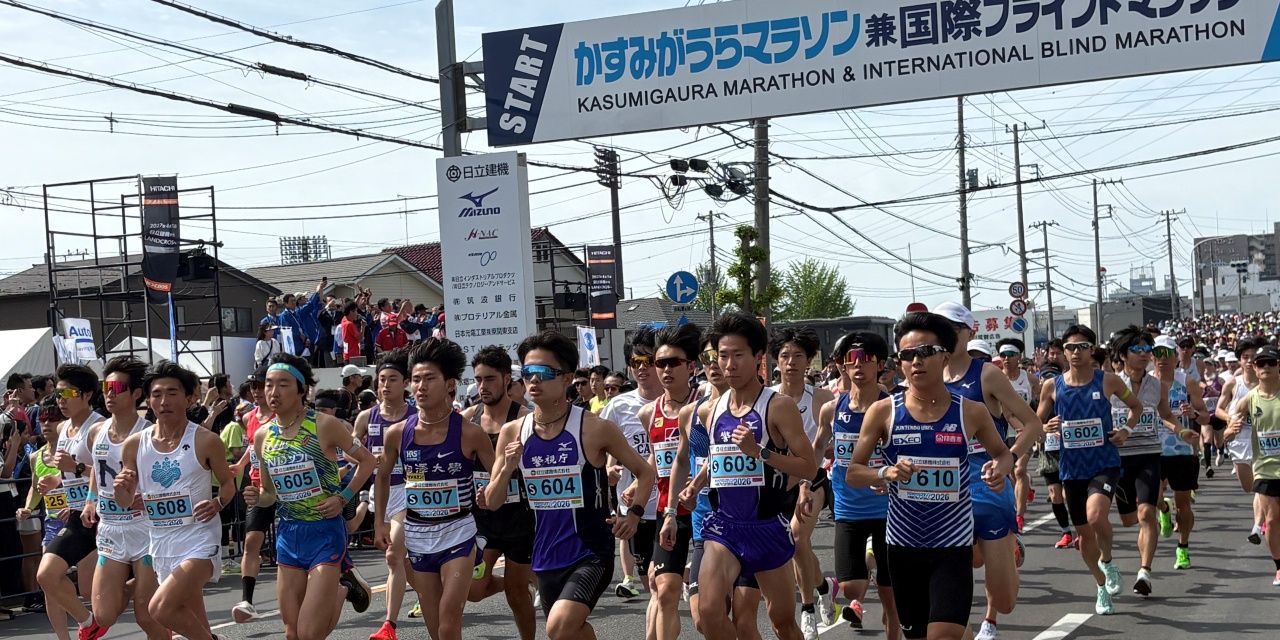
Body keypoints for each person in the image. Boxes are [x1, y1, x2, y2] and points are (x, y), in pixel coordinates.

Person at [847, 311, 1014, 640]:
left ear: (945, 357)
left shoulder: (971, 411)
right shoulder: (884, 412)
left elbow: (1003, 454)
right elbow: (853, 472)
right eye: (908, 355)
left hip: (952, 546)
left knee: (944, 635)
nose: (916, 362)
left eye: (925, 353)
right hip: (903, 546)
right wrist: (886, 472)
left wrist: (1000, 470)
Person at [484, 330, 656, 640]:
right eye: (527, 373)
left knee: (559, 627)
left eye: (543, 373)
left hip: (590, 551)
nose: (533, 381)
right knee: (568, 632)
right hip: (544, 554)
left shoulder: (593, 427)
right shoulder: (512, 433)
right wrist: (508, 468)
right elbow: (492, 500)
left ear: (565, 379)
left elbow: (645, 472)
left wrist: (634, 514)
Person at [687, 311, 816, 640]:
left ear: (759, 358)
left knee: (782, 622)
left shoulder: (778, 406)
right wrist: (692, 487)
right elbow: (716, 461)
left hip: (767, 527)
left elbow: (808, 466)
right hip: (724, 526)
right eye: (722, 355)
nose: (728, 365)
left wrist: (761, 452)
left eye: (738, 355)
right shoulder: (707, 411)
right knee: (709, 611)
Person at [244, 353, 376, 640]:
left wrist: (342, 497)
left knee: (308, 634)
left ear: (302, 390)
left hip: (325, 533)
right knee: (292, 634)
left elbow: (367, 462)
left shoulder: (324, 425)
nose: (273, 392)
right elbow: (269, 495)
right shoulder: (262, 436)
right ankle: (343, 587)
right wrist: (257, 498)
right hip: (289, 535)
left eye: (283, 384)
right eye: (268, 384)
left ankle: (339, 589)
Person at [933, 302, 1043, 640]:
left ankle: (1007, 548)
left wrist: (1007, 457)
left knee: (1006, 601)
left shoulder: (986, 375)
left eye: (955, 328)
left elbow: (1032, 424)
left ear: (970, 332)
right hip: (945, 491)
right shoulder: (926, 376)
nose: (948, 335)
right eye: (942, 328)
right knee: (953, 579)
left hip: (988, 486)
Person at [378, 338, 496, 640]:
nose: (421, 386)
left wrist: (493, 487)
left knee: (448, 619)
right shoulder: (397, 434)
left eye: (430, 378)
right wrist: (380, 520)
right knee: (434, 627)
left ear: (450, 384)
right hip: (418, 536)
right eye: (416, 379)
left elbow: (497, 475)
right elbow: (382, 476)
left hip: (458, 531)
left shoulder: (470, 433)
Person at [114, 360, 237, 640]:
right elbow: (126, 501)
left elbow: (229, 484)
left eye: (172, 393)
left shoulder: (206, 440)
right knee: (194, 620)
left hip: (199, 538)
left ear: (189, 398)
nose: (163, 400)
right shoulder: (135, 444)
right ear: (148, 399)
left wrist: (217, 503)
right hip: (160, 542)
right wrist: (123, 490)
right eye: (156, 394)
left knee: (159, 608)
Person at [1036, 324, 1143, 615]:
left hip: (1104, 463)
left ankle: (1108, 561)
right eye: (1070, 348)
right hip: (1071, 469)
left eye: (1082, 347)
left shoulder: (1106, 381)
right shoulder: (1052, 385)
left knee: (1096, 516)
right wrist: (1046, 427)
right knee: (1083, 535)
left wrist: (1125, 430)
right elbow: (1036, 423)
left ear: (1091, 349)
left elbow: (1137, 407)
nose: (1075, 353)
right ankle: (1100, 585)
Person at [671, 332, 762, 640]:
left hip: (749, 524)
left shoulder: (756, 409)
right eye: (708, 358)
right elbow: (681, 460)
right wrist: (671, 511)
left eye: (720, 357)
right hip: (705, 527)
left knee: (746, 622)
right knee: (704, 620)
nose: (714, 365)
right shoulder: (691, 413)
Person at [818, 331, 900, 637]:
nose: (859, 366)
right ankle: (867, 564)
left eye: (866, 360)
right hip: (848, 506)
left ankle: (892, 629)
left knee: (890, 595)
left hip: (888, 509)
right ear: (843, 367)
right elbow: (818, 448)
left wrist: (888, 475)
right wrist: (806, 482)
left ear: (880, 365)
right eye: (852, 360)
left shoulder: (893, 408)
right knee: (851, 586)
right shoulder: (833, 408)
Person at [77, 356, 163, 640]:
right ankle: (137, 585)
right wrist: (90, 500)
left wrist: (148, 499)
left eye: (117, 387)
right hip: (111, 529)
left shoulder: (150, 434)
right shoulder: (95, 432)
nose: (109, 393)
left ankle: (149, 587)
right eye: (106, 386)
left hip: (144, 528)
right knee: (103, 614)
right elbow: (95, 469)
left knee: (147, 615)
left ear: (137, 393)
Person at [1108, 326, 1193, 597]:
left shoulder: (1156, 385)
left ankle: (1144, 572)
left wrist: (1180, 430)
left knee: (1146, 514)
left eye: (1148, 350)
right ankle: (1163, 508)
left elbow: (1165, 413)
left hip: (1148, 455)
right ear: (1123, 355)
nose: (1145, 355)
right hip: (1119, 459)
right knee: (1129, 520)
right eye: (1138, 350)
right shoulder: (1110, 383)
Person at [461, 346, 536, 640]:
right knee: (474, 590)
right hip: (482, 519)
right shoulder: (467, 419)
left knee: (517, 597)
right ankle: (525, 579)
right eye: (478, 379)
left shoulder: (526, 418)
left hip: (520, 518)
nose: (482, 386)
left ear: (507, 379)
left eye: (489, 379)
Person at [767, 326, 836, 638]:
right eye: (784, 356)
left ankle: (807, 611)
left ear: (809, 361)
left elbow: (829, 442)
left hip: (814, 478)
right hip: (777, 482)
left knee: (797, 539)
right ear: (775, 362)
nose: (791, 362)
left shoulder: (821, 397)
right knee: (796, 547)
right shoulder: (765, 397)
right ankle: (822, 586)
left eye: (798, 356)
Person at [36, 364, 105, 637]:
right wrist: (55, 481)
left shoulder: (98, 427)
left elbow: (109, 474)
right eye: (58, 395)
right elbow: (68, 474)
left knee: (112, 593)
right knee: (46, 575)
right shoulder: (64, 427)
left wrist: (76, 468)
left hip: (109, 514)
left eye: (69, 394)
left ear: (87, 395)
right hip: (79, 516)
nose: (62, 401)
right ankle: (88, 622)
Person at [643, 324, 701, 640]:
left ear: (691, 366)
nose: (665, 370)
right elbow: (658, 459)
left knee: (710, 611)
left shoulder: (706, 404)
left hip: (707, 509)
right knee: (664, 590)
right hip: (670, 512)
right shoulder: (648, 413)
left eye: (674, 362)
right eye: (660, 363)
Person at [356, 349, 415, 640]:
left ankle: (388, 625)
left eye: (393, 379)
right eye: (381, 379)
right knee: (404, 562)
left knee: (394, 554)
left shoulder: (417, 415)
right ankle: (430, 592)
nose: (386, 385)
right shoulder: (367, 417)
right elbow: (353, 454)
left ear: (405, 382)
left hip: (411, 488)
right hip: (380, 489)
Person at [601, 328, 664, 599]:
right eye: (636, 362)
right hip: (635, 509)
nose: (642, 368)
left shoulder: (681, 403)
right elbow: (601, 447)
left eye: (649, 361)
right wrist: (607, 468)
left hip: (673, 506)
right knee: (653, 588)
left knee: (667, 585)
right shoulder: (618, 406)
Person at [14, 398, 76, 640]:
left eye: (53, 419)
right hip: (52, 523)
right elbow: (35, 489)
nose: (47, 424)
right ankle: (64, 637)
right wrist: (28, 509)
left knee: (92, 587)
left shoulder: (75, 451)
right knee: (49, 583)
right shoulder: (36, 457)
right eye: (42, 420)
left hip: (82, 521)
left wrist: (74, 506)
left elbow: (90, 482)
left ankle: (87, 621)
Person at [1224, 344, 1280, 586]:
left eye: (1271, 363)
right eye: (1261, 363)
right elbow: (1229, 431)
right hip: (1265, 468)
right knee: (1274, 519)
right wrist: (1230, 431)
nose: (1266, 367)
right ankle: (1279, 566)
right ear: (1255, 369)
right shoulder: (1249, 399)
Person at [1153, 335, 1208, 571]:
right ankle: (1163, 510)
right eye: (1157, 354)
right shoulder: (1145, 383)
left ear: (1175, 356)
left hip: (1182, 450)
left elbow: (1206, 416)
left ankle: (1183, 547)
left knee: (1183, 504)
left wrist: (1193, 414)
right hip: (1153, 450)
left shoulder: (1186, 382)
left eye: (1167, 354)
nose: (1162, 360)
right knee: (1149, 498)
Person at [229, 367, 274, 622]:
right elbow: (251, 446)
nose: (256, 392)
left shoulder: (282, 416)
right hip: (258, 489)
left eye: (261, 386)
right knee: (251, 542)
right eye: (253, 387)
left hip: (286, 488)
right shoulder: (248, 418)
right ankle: (247, 600)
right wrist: (242, 464)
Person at [1218, 338, 1268, 545]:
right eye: (1245, 357)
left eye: (1254, 357)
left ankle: (1258, 527)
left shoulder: (1269, 381)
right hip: (1238, 439)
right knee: (1249, 487)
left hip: (1263, 440)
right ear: (1239, 360)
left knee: (1261, 485)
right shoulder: (1233, 383)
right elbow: (1219, 409)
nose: (1249, 361)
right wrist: (1229, 418)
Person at [996, 337, 1039, 533]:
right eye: (1003, 355)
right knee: (1010, 473)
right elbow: (1005, 412)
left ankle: (1019, 515)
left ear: (1019, 357)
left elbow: (1040, 404)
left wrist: (1037, 427)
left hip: (1025, 431)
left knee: (1020, 470)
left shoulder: (1029, 379)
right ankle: (1024, 488)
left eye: (1011, 354)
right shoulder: (996, 379)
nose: (1006, 358)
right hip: (1002, 432)